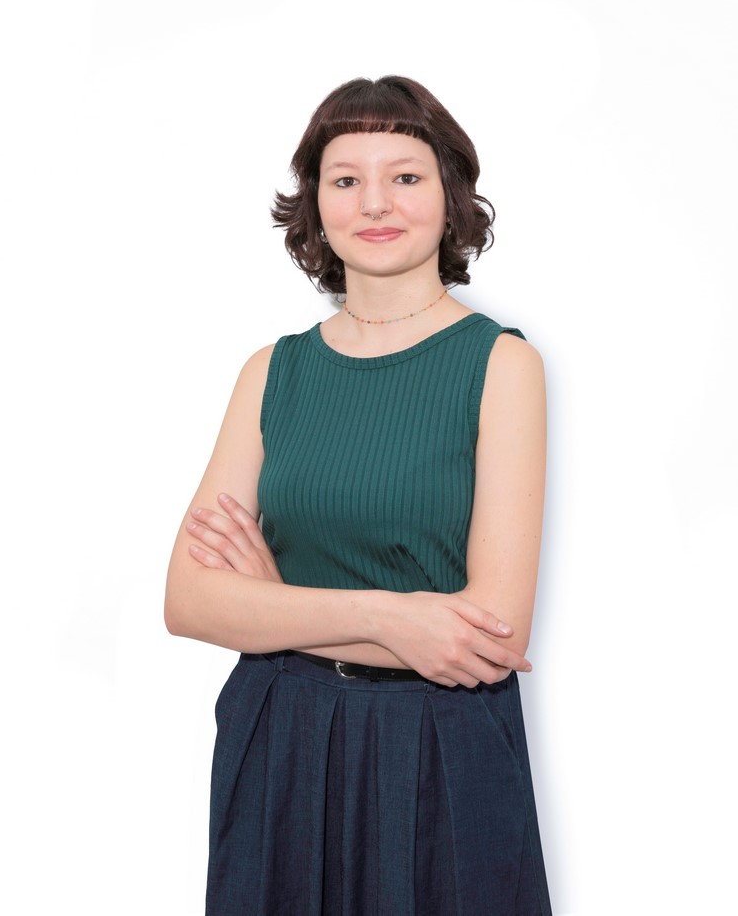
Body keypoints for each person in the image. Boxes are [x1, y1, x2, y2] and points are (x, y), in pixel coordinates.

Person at [164, 75, 552, 915]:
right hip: (281, 738)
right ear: (317, 202)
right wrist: (390, 615)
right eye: (346, 179)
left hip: (442, 747)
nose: (375, 201)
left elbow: (489, 637)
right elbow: (189, 601)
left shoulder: (501, 365)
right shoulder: (272, 371)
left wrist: (273, 604)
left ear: (450, 196)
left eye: (405, 176)